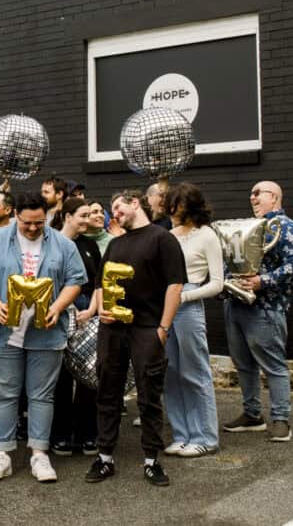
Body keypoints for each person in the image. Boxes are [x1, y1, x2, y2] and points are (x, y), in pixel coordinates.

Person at [0, 193, 86, 484]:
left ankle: (39, 454)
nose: (33, 229)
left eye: (39, 223)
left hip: (47, 332)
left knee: (42, 395)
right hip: (3, 331)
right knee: (4, 394)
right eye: (27, 224)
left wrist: (58, 307)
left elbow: (75, 280)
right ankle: (2, 455)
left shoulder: (63, 244)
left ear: (46, 216)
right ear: (15, 216)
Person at [87, 190, 185, 488]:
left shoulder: (161, 238)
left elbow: (175, 285)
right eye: (111, 209)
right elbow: (101, 284)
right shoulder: (114, 244)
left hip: (147, 328)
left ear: (134, 204)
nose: (114, 213)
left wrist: (163, 327)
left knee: (149, 394)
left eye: (118, 207)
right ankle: (104, 458)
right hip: (112, 330)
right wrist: (102, 310)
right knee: (107, 391)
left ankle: (152, 461)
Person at [222, 181, 293, 442]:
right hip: (236, 304)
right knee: (243, 365)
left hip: (266, 308)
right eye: (251, 194)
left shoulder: (285, 226)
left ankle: (281, 420)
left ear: (275, 197)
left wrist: (262, 281)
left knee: (274, 365)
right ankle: (252, 414)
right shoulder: (247, 226)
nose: (253, 198)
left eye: (259, 194)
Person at [161, 183, 224, 458]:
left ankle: (205, 437)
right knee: (170, 372)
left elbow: (218, 283)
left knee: (195, 372)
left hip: (188, 302)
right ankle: (181, 434)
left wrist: (185, 298)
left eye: (178, 206)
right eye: (170, 206)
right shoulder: (168, 235)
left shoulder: (207, 235)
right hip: (166, 303)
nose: (173, 211)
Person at [51, 198, 102, 457]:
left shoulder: (90, 245)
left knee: (88, 376)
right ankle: (60, 434)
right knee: (60, 377)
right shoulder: (51, 243)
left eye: (90, 215)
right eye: (83, 215)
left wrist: (91, 310)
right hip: (59, 313)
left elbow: (98, 284)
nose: (88, 220)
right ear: (67, 216)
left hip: (86, 313)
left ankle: (88, 434)